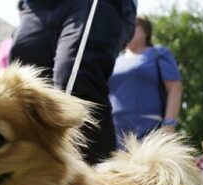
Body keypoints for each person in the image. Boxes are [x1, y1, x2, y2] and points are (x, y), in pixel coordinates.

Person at [10, 0, 137, 165]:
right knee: (23, 91)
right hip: (37, 6)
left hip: (91, 4)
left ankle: (95, 180)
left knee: (75, 84)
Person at [108, 16, 182, 141]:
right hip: (114, 131)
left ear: (145, 31)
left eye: (132, 25)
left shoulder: (159, 54)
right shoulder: (115, 59)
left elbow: (175, 89)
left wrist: (169, 125)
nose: (127, 29)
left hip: (147, 129)